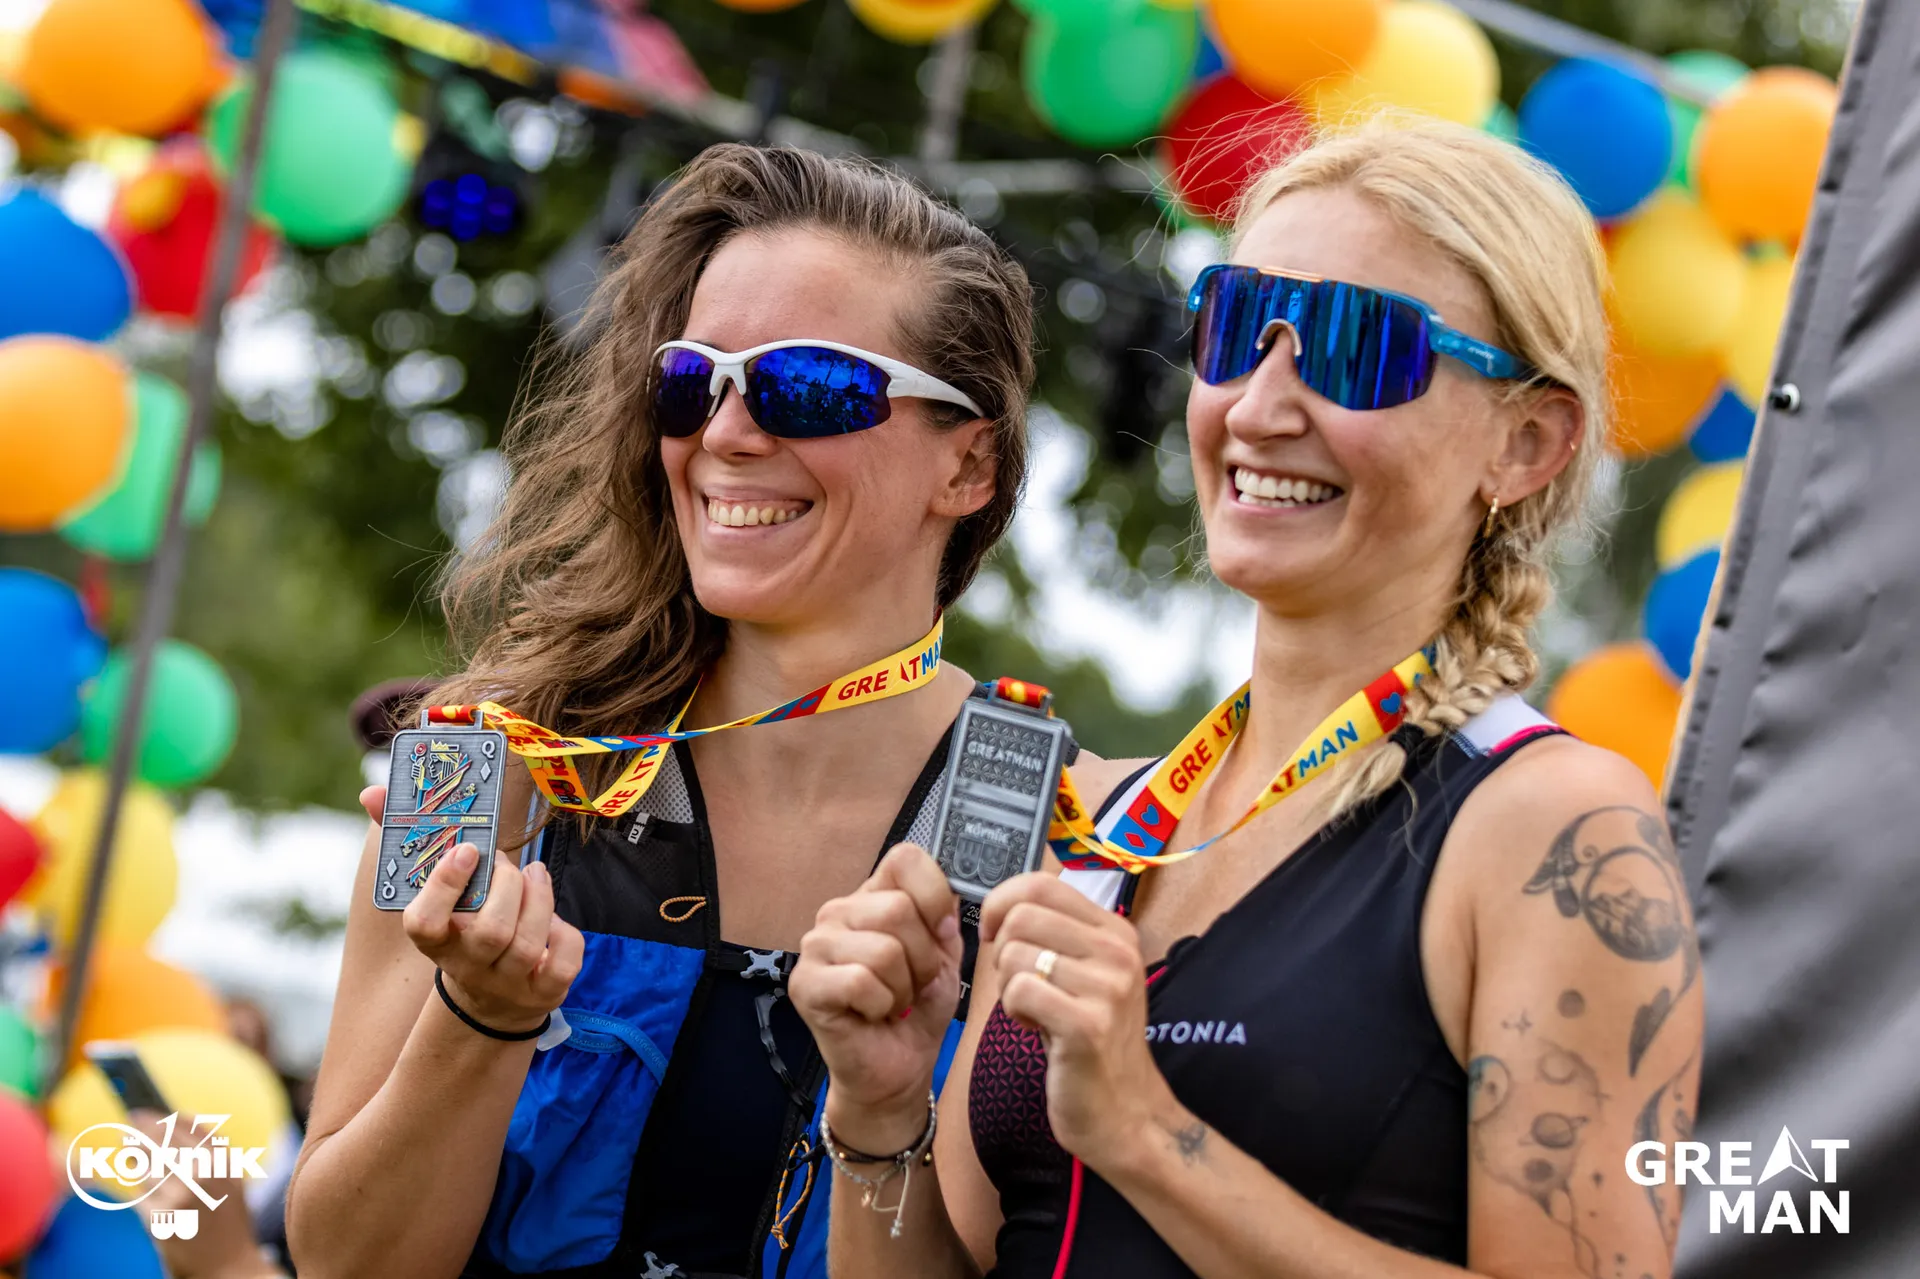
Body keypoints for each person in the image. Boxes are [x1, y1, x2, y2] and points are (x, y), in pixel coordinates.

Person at [791, 118, 1705, 1279]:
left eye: (1355, 348)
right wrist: (879, 1112)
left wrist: (1146, 1134)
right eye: (1238, 328)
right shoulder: (1099, 824)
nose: (1260, 406)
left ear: (1525, 443)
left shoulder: (1554, 828)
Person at [285, 145, 1038, 1279]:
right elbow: (345, 1261)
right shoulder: (485, 765)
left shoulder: (1065, 831)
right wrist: (481, 1016)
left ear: (969, 465)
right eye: (691, 380)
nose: (725, 433)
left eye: (807, 385)